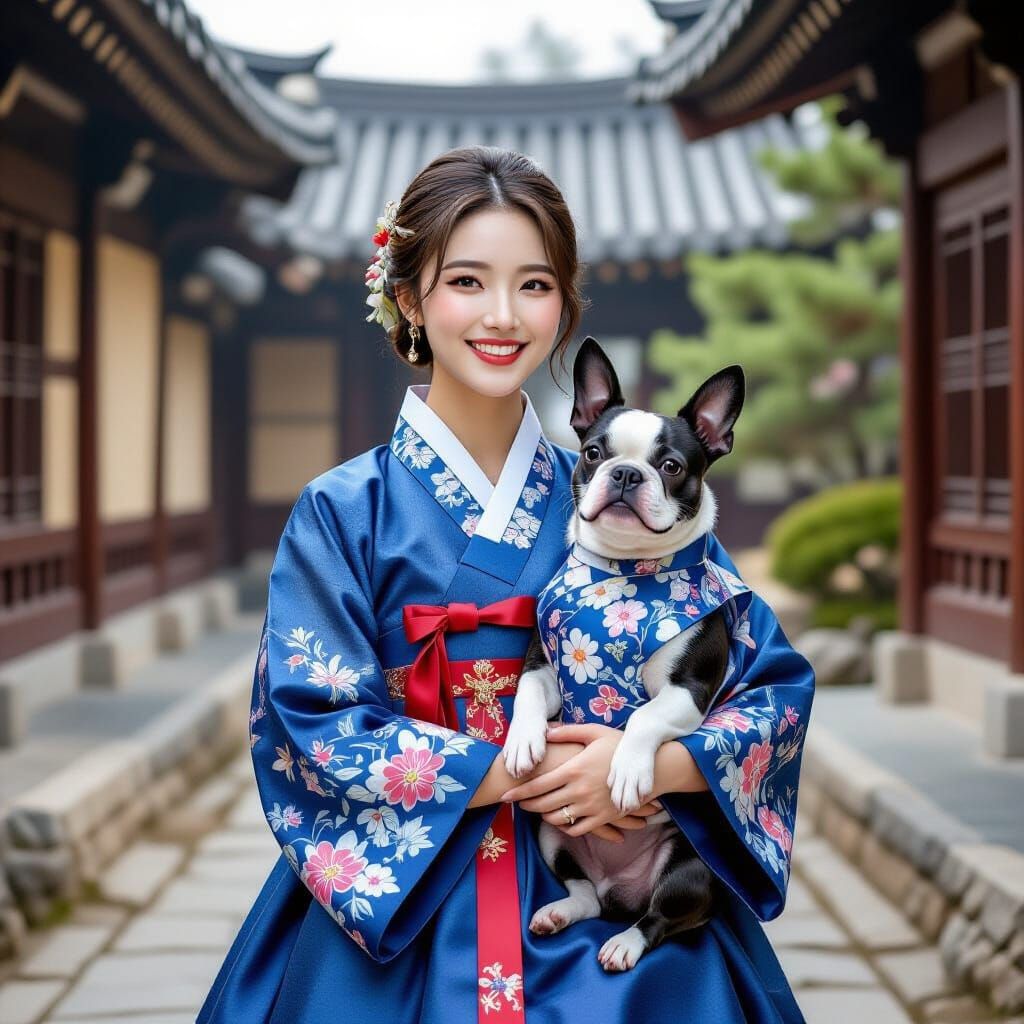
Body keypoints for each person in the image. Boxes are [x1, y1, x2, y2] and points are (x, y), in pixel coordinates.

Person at [197, 146, 814, 1024]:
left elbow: (767, 682)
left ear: (564, 304)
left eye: (534, 285)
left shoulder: (624, 498)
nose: (502, 315)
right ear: (408, 297)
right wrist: (504, 772)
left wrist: (650, 766)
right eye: (466, 281)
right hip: (410, 877)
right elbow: (308, 718)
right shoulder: (343, 511)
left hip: (604, 856)